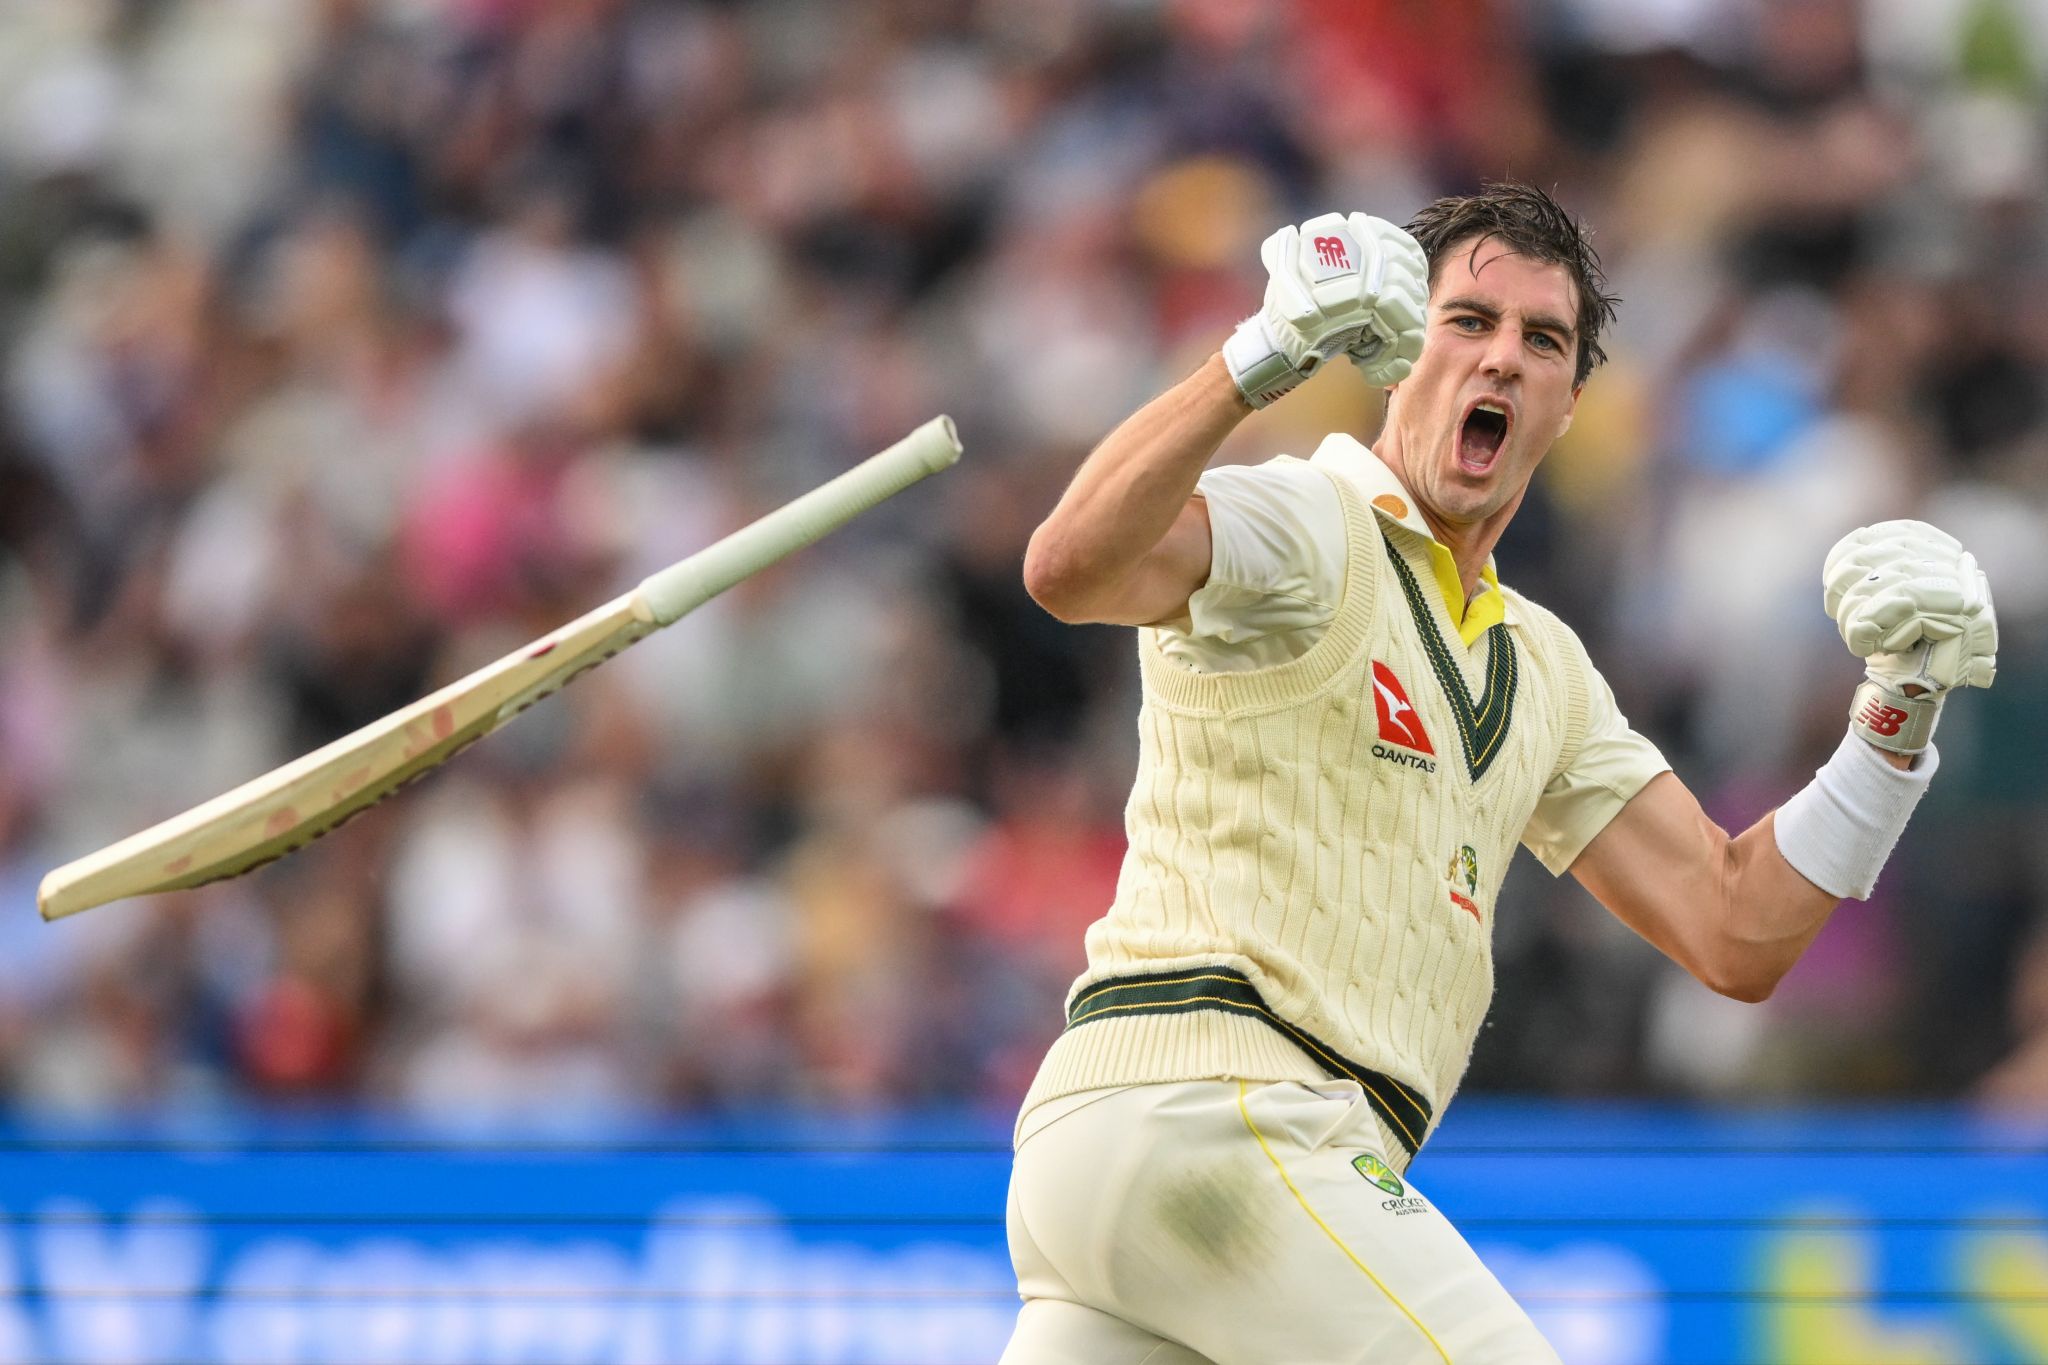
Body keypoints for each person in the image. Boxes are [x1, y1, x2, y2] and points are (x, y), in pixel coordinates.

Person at [998, 183, 2000, 1364]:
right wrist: (1259, 354)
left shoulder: (1542, 669)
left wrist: (1893, 715)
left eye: (1541, 341)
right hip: (1219, 1109)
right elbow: (1067, 567)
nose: (1501, 361)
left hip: (1127, 1168)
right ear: (1391, 350)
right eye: (1465, 321)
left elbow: (1733, 930)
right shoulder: (1309, 521)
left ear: (1570, 404)